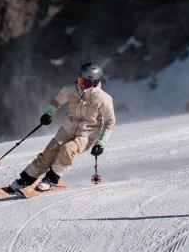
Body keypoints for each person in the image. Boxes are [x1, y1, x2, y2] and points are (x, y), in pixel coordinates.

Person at [8, 62, 116, 193]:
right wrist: (48, 113)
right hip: (66, 129)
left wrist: (101, 143)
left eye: (85, 83)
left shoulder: (103, 99)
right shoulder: (70, 89)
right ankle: (26, 179)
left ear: (94, 83)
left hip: (87, 135)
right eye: (80, 80)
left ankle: (51, 179)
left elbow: (110, 122)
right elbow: (55, 103)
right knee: (48, 153)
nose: (81, 85)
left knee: (67, 149)